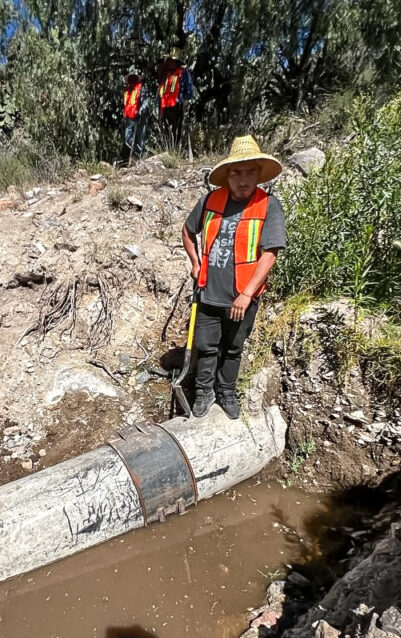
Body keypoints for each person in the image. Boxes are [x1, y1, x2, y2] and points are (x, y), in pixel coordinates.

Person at [181, 135, 286, 420]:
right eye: (236, 172)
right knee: (205, 346)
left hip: (242, 295)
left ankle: (226, 391)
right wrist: (195, 262)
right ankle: (204, 391)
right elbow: (188, 231)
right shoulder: (210, 200)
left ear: (258, 174)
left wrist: (247, 293)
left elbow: (270, 252)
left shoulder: (268, 206)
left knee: (233, 348)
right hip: (208, 291)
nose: (243, 179)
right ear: (227, 174)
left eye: (250, 171)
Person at [156, 50, 193, 150]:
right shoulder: (165, 74)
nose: (169, 62)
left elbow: (188, 86)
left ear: (177, 62)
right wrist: (158, 106)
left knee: (176, 129)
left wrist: (186, 99)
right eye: (168, 60)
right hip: (165, 106)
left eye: (172, 60)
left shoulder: (183, 72)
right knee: (166, 129)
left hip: (177, 104)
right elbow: (160, 90)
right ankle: (167, 149)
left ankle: (176, 150)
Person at [122, 70, 148, 160]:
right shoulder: (126, 90)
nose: (132, 80)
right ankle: (136, 152)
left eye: (134, 78)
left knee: (140, 138)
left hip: (139, 117)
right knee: (127, 138)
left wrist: (140, 111)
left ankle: (141, 156)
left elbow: (145, 102)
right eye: (130, 78)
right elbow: (126, 104)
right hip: (129, 118)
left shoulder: (141, 89)